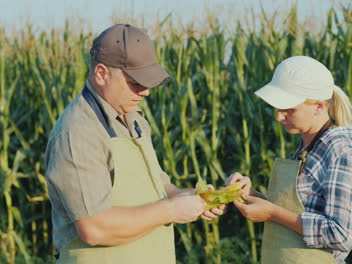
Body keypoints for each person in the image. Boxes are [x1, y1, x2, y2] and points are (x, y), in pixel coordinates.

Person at [45, 24, 225, 264]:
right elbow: (94, 227)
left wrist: (192, 197)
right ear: (101, 73)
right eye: (136, 81)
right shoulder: (78, 132)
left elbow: (159, 187)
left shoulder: (135, 119)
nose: (146, 92)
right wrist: (172, 210)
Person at [226, 56, 352, 264]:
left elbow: (341, 234)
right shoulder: (309, 147)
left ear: (319, 106)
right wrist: (250, 194)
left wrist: (272, 213)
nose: (278, 117)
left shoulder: (342, 154)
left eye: (289, 109)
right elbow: (297, 214)